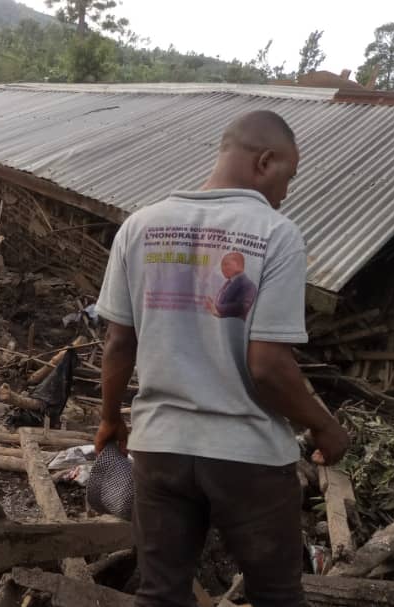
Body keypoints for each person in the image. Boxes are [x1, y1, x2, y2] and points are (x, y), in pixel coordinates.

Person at [94, 110, 350, 607]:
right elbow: (268, 366)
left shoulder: (139, 226)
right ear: (264, 161)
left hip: (161, 449)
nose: (287, 191)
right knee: (276, 595)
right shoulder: (276, 234)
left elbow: (119, 345)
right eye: (288, 177)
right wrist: (325, 425)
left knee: (160, 595)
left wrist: (109, 420)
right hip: (248, 457)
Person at [206, 252, 257, 320]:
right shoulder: (229, 282)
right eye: (221, 265)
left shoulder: (248, 285)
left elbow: (243, 307)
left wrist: (216, 307)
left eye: (226, 264)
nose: (222, 268)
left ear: (239, 265)